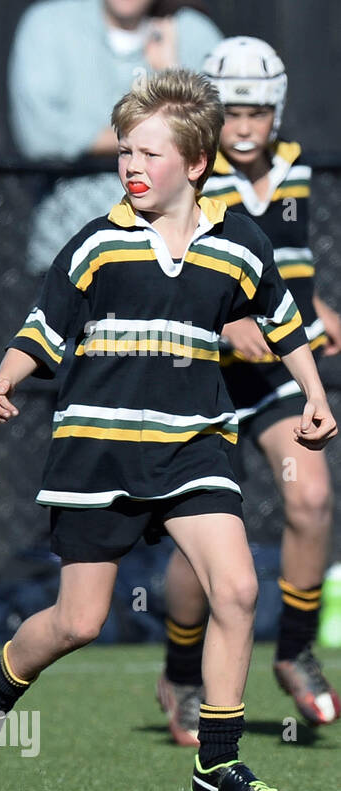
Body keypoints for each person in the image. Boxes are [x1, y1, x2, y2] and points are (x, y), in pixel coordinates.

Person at [0, 69, 335, 791]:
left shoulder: (236, 242)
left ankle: (218, 764)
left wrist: (315, 396)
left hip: (193, 447)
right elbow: (43, 327)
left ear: (195, 164)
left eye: (150, 154)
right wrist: (3, 380)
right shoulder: (99, 242)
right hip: (99, 454)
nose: (131, 166)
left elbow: (287, 321)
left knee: (237, 588)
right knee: (79, 622)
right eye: (125, 150)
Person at [156, 37, 341, 742]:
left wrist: (314, 305)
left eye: (257, 112)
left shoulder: (293, 169)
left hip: (269, 375)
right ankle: (180, 674)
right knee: (201, 546)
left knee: (312, 495)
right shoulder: (189, 179)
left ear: (277, 112)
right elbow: (168, 268)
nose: (242, 126)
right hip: (202, 376)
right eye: (230, 111)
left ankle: (293, 649)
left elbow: (283, 265)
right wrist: (227, 319)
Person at [9, 0, 222, 273]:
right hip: (71, 245)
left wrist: (172, 72)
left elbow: (224, 130)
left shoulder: (192, 32)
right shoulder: (48, 25)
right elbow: (40, 135)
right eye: (127, 151)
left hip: (178, 249)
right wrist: (164, 133)